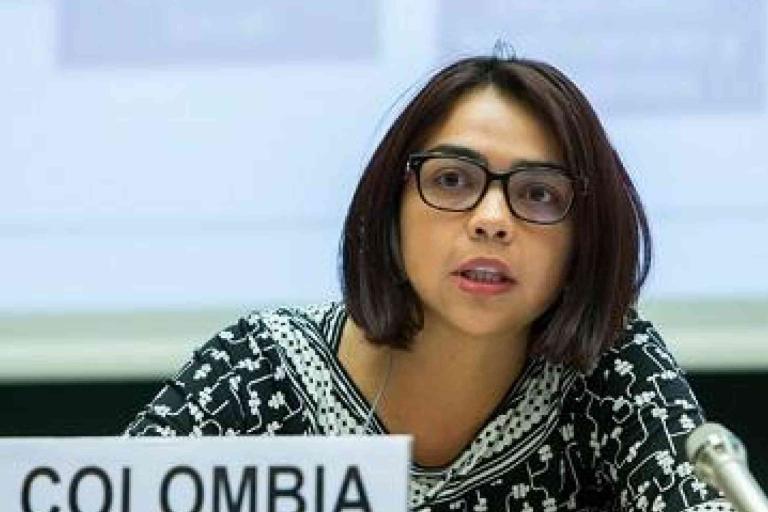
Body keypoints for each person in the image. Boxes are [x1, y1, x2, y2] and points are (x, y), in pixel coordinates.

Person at [125, 54, 733, 512]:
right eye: (451, 181)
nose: (492, 220)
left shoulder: (611, 369)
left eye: (539, 194)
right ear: (391, 207)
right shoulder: (261, 367)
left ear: (585, 238)